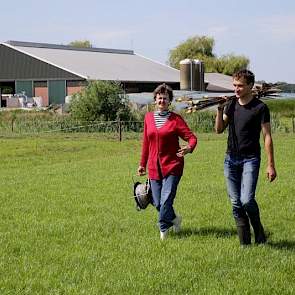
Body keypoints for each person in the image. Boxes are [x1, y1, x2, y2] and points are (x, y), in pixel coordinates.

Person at [215, 69, 277, 246]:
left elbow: (267, 136)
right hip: (230, 159)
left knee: (247, 200)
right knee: (235, 202)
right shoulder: (231, 104)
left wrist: (270, 164)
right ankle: (245, 243)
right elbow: (219, 129)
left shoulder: (260, 108)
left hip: (251, 159)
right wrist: (220, 109)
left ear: (250, 86)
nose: (236, 89)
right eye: (234, 85)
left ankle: (258, 232)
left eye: (240, 85)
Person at [138, 83, 197, 240]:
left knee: (166, 201)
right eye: (159, 98)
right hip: (153, 168)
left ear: (169, 101)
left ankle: (163, 230)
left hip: (173, 166)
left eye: (165, 98)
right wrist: (142, 164)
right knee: (157, 203)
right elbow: (146, 143)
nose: (162, 101)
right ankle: (175, 219)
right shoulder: (148, 118)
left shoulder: (176, 119)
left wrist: (189, 148)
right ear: (155, 100)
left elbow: (192, 138)